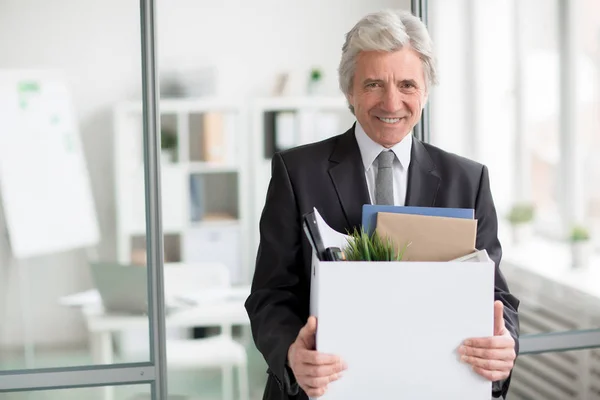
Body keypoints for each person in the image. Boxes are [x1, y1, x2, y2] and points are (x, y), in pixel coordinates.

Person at [245, 9, 520, 400]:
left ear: (425, 91)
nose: (392, 102)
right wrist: (292, 354)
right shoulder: (296, 172)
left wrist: (503, 343)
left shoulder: (468, 181)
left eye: (407, 84)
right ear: (350, 92)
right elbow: (269, 295)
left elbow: (496, 296)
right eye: (374, 84)